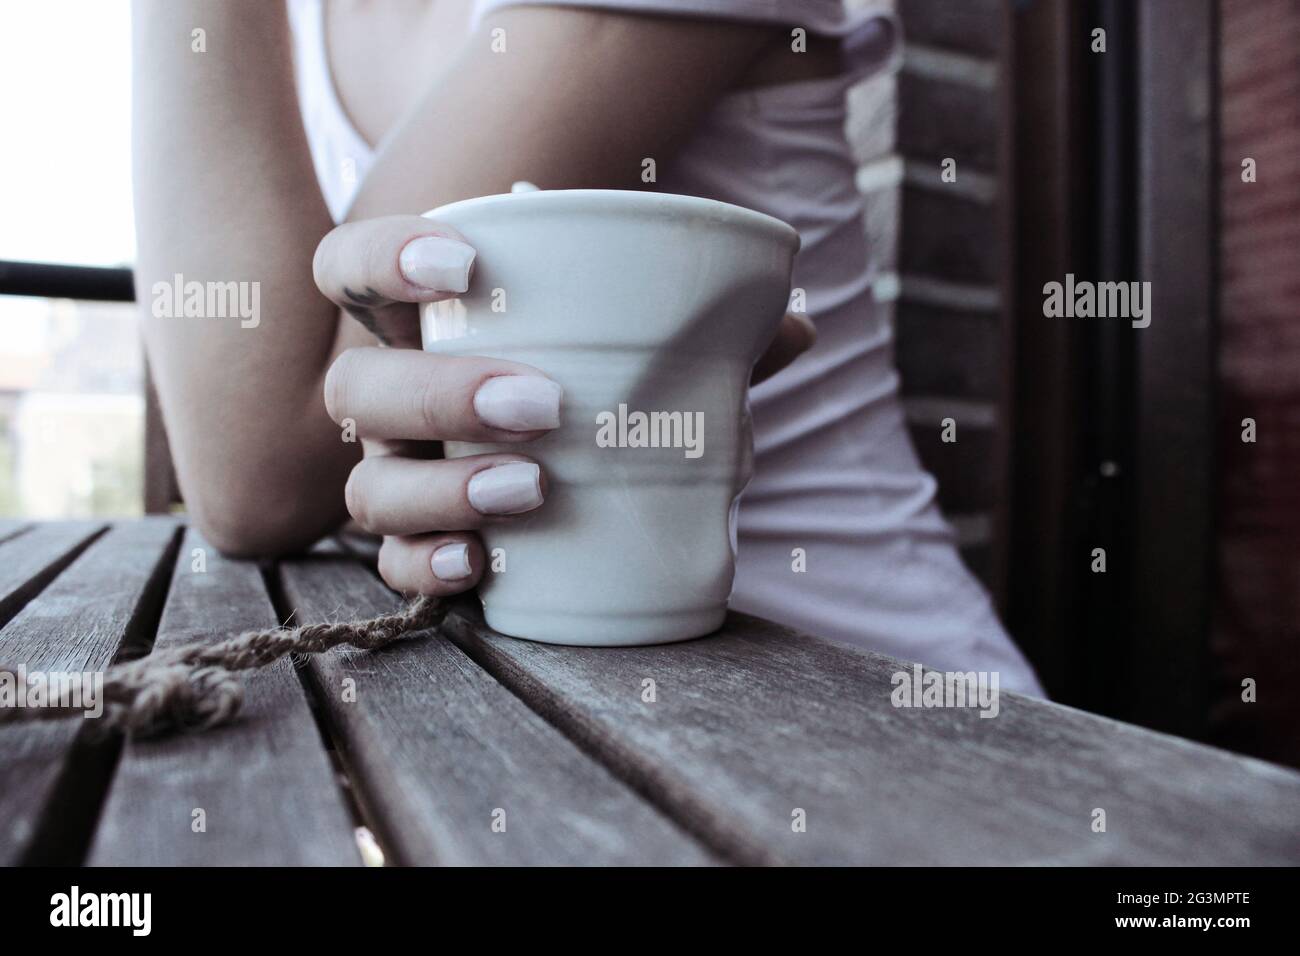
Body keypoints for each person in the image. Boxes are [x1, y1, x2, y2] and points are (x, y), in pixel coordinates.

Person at [134, 0, 1043, 694]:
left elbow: (257, 471)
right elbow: (318, 424)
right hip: (560, 718)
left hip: (856, 698)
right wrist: (400, 431)